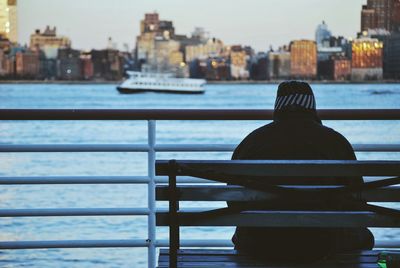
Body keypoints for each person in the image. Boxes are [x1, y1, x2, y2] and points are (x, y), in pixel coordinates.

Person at [230, 81, 374, 263]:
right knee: (364, 236)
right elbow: (356, 200)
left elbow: (233, 200)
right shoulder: (336, 142)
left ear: (277, 107)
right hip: (324, 244)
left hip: (260, 244)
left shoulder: (251, 142)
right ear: (312, 107)